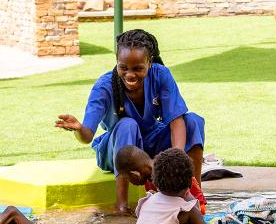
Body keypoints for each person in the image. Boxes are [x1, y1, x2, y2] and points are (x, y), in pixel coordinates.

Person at [55, 29, 205, 214]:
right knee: (127, 124)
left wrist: (177, 159)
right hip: (118, 153)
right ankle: (121, 204)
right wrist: (78, 129)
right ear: (117, 62)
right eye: (123, 67)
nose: (130, 74)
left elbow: (176, 120)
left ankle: (194, 192)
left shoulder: (160, 75)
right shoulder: (104, 86)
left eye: (138, 68)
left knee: (193, 121)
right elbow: (87, 136)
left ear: (149, 63)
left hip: (151, 141)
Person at [114, 145, 207, 215]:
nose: (130, 182)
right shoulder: (149, 181)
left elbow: (197, 206)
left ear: (135, 174)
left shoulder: (167, 170)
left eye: (127, 178)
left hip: (198, 209)